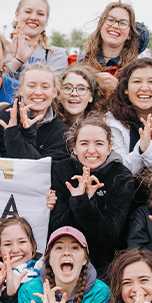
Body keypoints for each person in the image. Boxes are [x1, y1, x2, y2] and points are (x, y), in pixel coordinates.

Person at [50, 113, 136, 270]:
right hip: (65, 260)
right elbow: (57, 228)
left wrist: (81, 202)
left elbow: (109, 235)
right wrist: (78, 199)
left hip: (106, 264)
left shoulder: (121, 176)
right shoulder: (61, 170)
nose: (91, 150)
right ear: (74, 148)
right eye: (84, 143)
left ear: (109, 148)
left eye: (98, 144)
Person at [0, 64, 70, 161]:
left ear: (54, 92)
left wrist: (19, 135)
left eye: (45, 87)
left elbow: (41, 170)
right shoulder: (2, 118)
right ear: (21, 89)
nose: (38, 92)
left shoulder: (61, 132)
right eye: (32, 86)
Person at [72, 1, 149, 90]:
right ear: (101, 25)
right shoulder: (76, 62)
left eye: (123, 23)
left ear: (129, 35)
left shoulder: (137, 71)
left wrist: (119, 88)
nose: (115, 26)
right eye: (110, 20)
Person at [5, 0, 68, 78]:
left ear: (46, 21)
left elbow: (46, 87)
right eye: (28, 12)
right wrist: (17, 61)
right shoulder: (1, 51)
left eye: (40, 14)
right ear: (17, 15)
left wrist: (21, 60)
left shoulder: (55, 55)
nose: (34, 17)